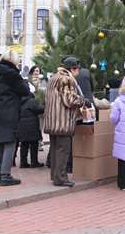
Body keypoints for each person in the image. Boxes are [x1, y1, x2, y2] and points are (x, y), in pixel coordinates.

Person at [0, 50, 30, 186]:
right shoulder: (13, 75)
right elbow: (25, 91)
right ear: (14, 61)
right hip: (9, 111)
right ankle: (5, 175)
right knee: (10, 142)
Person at [43, 56, 85, 187]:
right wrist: (82, 100)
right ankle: (61, 178)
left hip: (52, 120)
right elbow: (69, 100)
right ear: (73, 68)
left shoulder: (54, 78)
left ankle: (55, 176)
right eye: (77, 68)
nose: (78, 71)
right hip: (62, 121)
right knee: (63, 150)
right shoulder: (67, 79)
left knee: (55, 149)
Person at [17, 85, 44, 168]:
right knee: (34, 144)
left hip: (21, 126)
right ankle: (34, 162)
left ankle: (23, 162)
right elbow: (39, 109)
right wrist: (44, 106)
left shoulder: (19, 101)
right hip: (32, 127)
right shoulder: (31, 101)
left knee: (24, 145)